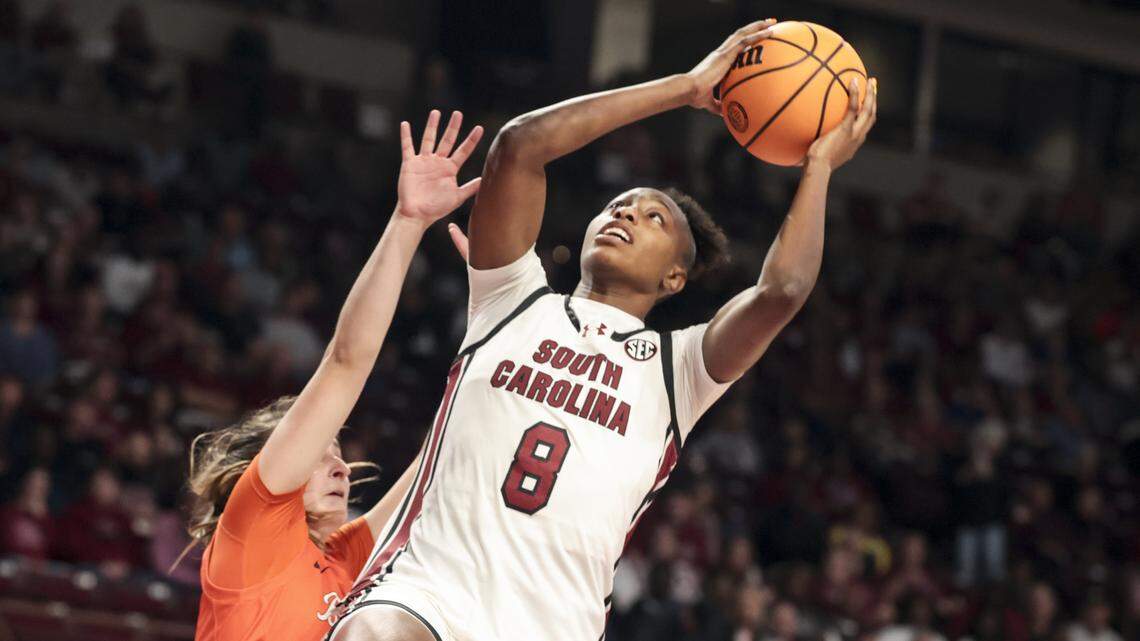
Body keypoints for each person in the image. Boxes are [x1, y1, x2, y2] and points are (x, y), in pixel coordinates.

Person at [330, 19, 877, 641]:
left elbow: (782, 291)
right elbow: (518, 146)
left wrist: (820, 167)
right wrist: (686, 87)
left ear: (675, 277)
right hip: (428, 590)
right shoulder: (511, 297)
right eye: (620, 204)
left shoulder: (681, 370)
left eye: (654, 218)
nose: (626, 213)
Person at [189, 111, 484, 641]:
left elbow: (434, 468)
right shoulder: (255, 524)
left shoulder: (341, 556)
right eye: (321, 452)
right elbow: (346, 362)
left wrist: (491, 343)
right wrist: (409, 222)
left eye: (339, 453)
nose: (341, 466)